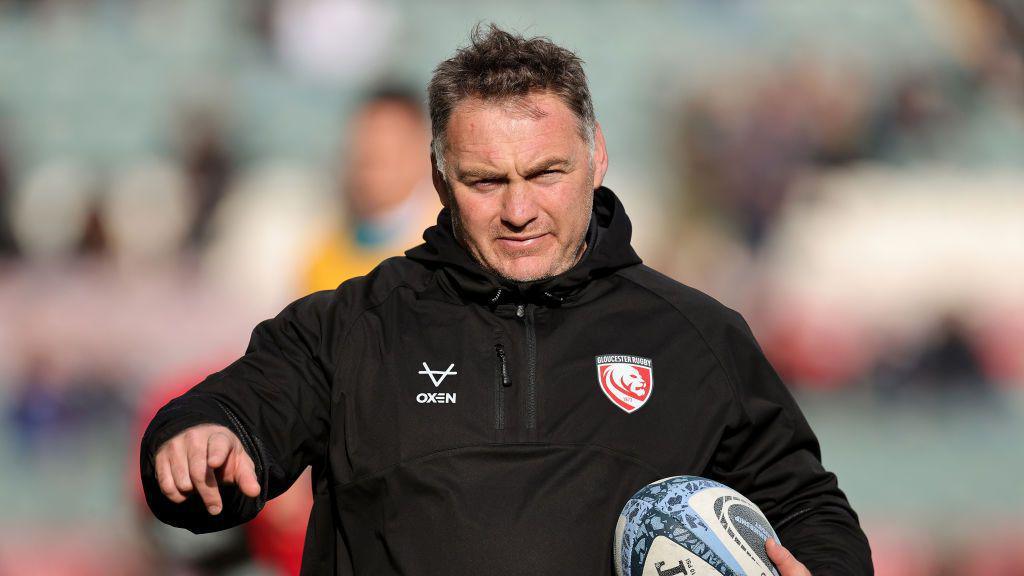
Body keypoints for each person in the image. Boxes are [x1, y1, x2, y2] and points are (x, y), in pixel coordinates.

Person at [140, 24, 873, 575]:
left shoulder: (696, 337)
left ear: (598, 158)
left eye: (546, 173)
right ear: (438, 180)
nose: (519, 209)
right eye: (487, 181)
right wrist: (202, 439)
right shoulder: (354, 325)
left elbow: (809, 510)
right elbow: (232, 419)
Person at [303, 86, 438, 293]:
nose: (372, 173)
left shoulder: (449, 245)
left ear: (423, 155)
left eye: (387, 157)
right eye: (366, 158)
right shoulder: (320, 255)